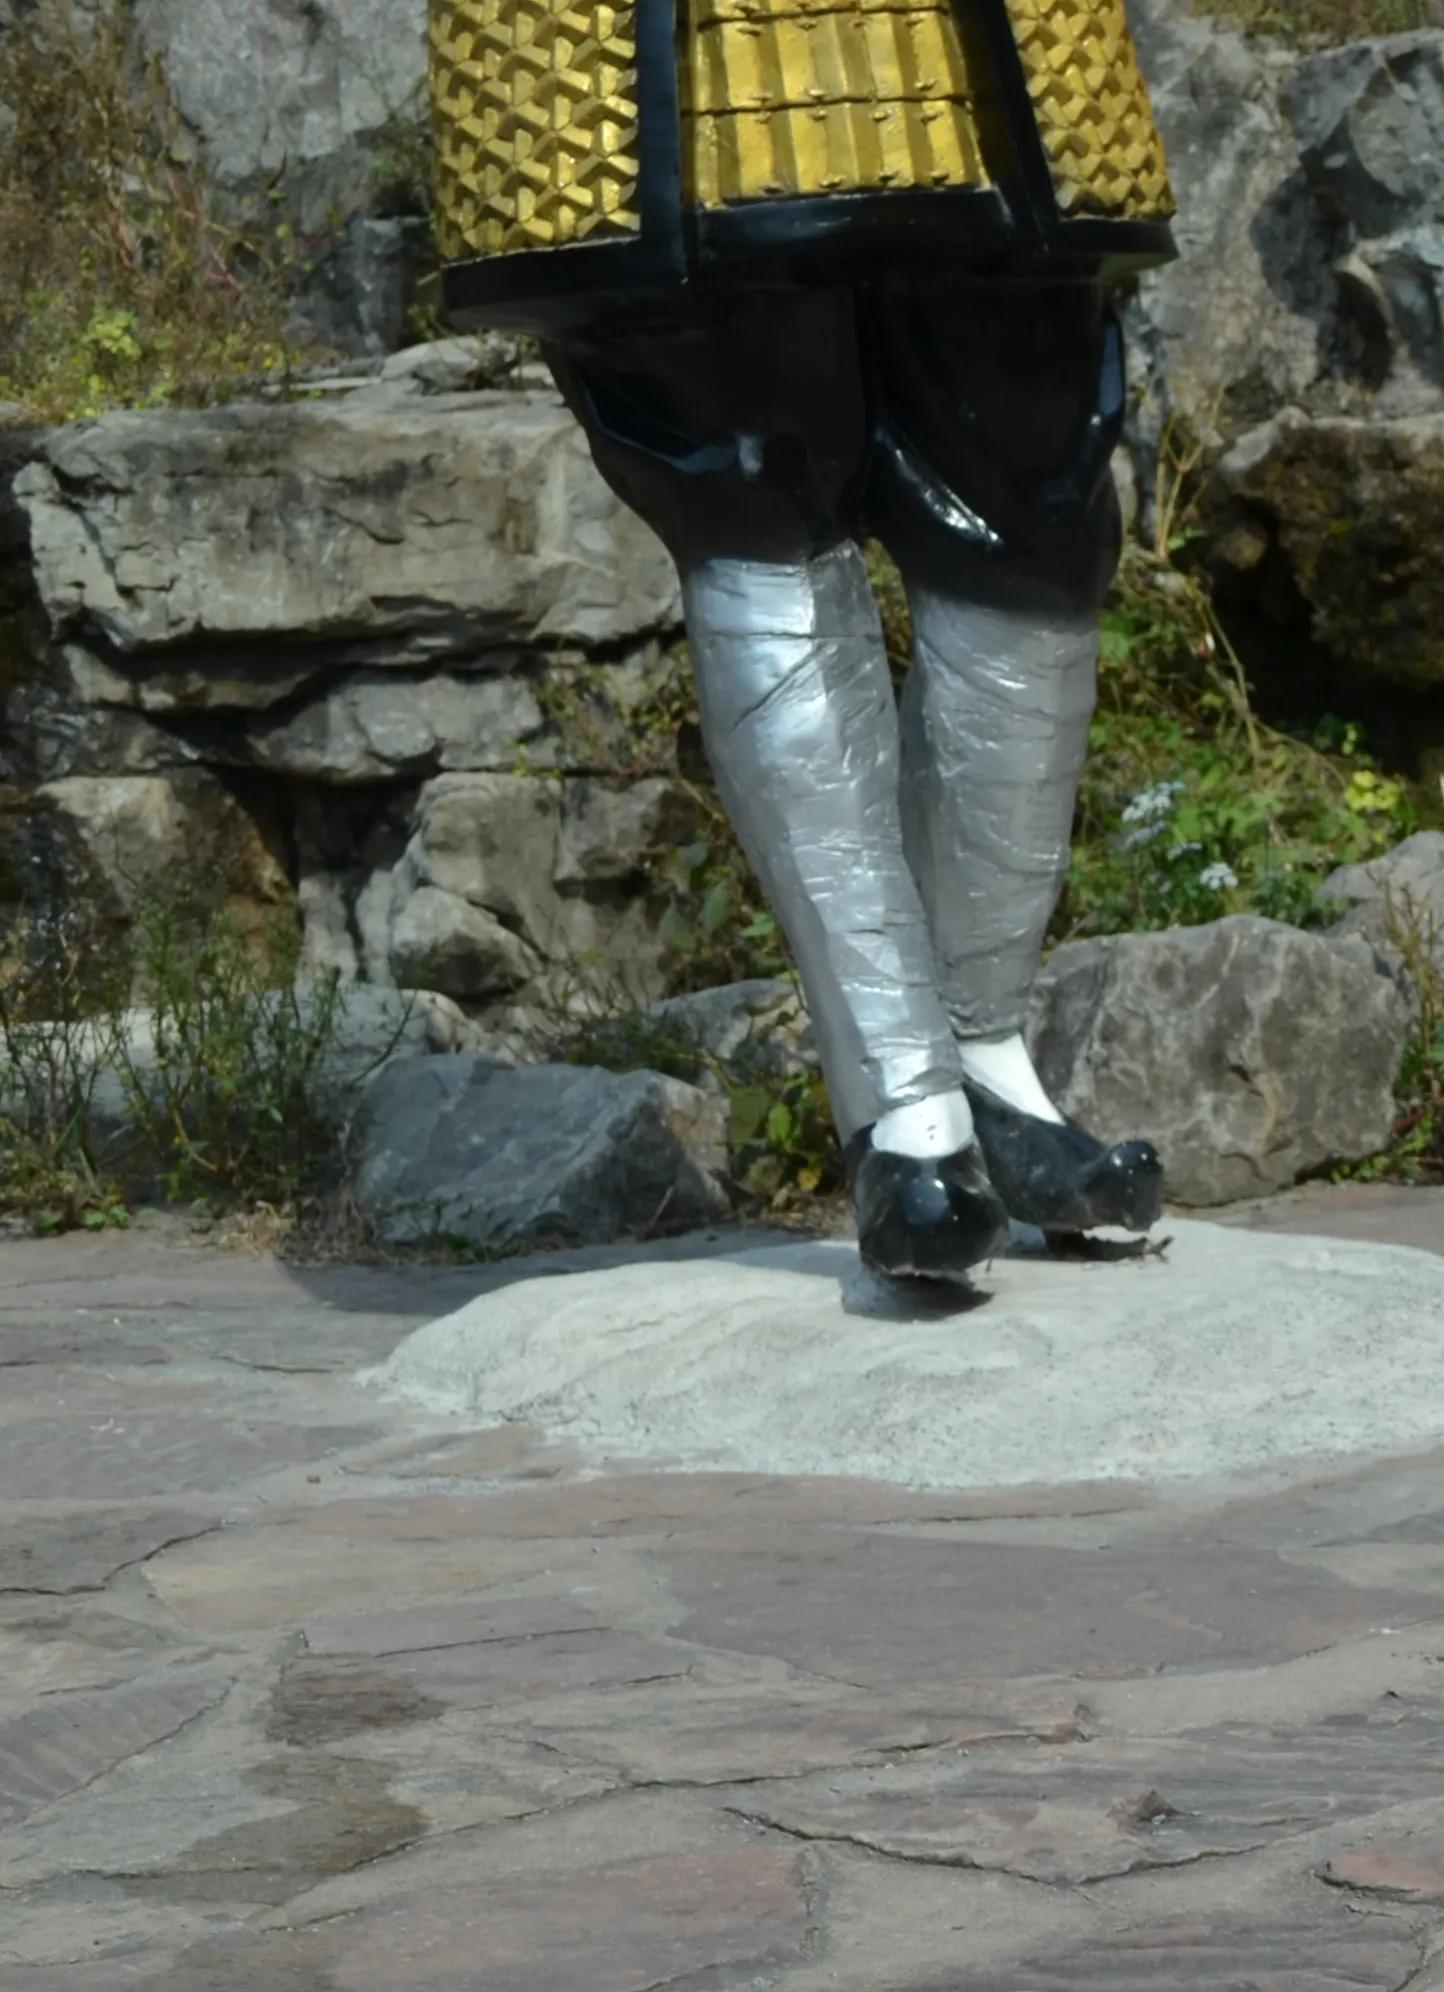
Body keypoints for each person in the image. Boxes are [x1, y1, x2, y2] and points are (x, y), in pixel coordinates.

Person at [426, 0, 1180, 1279]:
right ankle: (907, 1107)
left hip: (984, 88)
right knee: (752, 504)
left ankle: (984, 1057)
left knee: (1034, 523)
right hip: (688, 84)